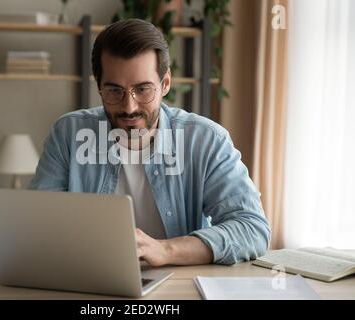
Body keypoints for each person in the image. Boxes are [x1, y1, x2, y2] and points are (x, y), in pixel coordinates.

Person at [29, 19, 271, 266]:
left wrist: (165, 250)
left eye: (143, 89)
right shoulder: (68, 134)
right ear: (99, 86)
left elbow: (252, 228)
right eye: (114, 91)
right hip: (88, 280)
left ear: (165, 84)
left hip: (178, 286)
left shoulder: (206, 140)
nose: (129, 107)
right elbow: (37, 224)